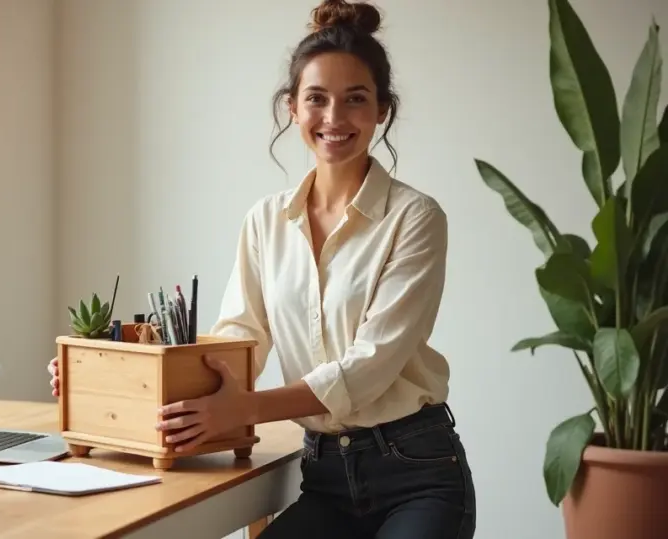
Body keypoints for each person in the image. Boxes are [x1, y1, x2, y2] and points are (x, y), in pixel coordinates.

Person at [47, 0, 475, 537]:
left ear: (382, 109)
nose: (334, 119)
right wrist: (107, 378)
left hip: (417, 473)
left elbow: (370, 365)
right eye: (316, 99)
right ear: (292, 107)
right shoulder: (266, 221)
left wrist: (245, 408)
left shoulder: (416, 218)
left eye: (356, 100)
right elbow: (237, 344)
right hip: (325, 479)